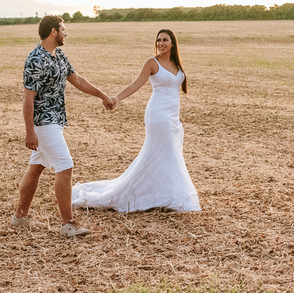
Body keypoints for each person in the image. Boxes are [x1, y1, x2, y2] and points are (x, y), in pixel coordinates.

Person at [72, 29, 200, 213]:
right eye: (158, 40)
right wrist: (116, 98)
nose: (161, 43)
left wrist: (177, 114)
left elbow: (174, 93)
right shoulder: (152, 62)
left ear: (173, 43)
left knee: (169, 155)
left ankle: (165, 194)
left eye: (165, 40)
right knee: (166, 153)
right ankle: (173, 197)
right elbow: (135, 84)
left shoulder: (176, 63)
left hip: (172, 118)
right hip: (158, 115)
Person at [12, 14, 113, 236]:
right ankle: (67, 224)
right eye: (63, 29)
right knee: (65, 166)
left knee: (37, 167)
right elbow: (28, 98)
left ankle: (20, 217)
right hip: (43, 122)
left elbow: (77, 80)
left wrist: (102, 95)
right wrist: (30, 131)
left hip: (56, 121)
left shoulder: (59, 56)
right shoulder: (35, 59)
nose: (66, 33)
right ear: (53, 32)